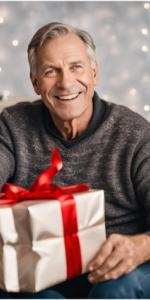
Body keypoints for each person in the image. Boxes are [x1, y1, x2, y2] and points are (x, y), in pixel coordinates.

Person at [0, 22, 150, 299]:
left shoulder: (135, 134)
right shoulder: (12, 125)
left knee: (114, 289)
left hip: (119, 270)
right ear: (35, 82)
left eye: (76, 67)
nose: (65, 83)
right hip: (40, 270)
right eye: (50, 71)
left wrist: (141, 246)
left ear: (94, 73)